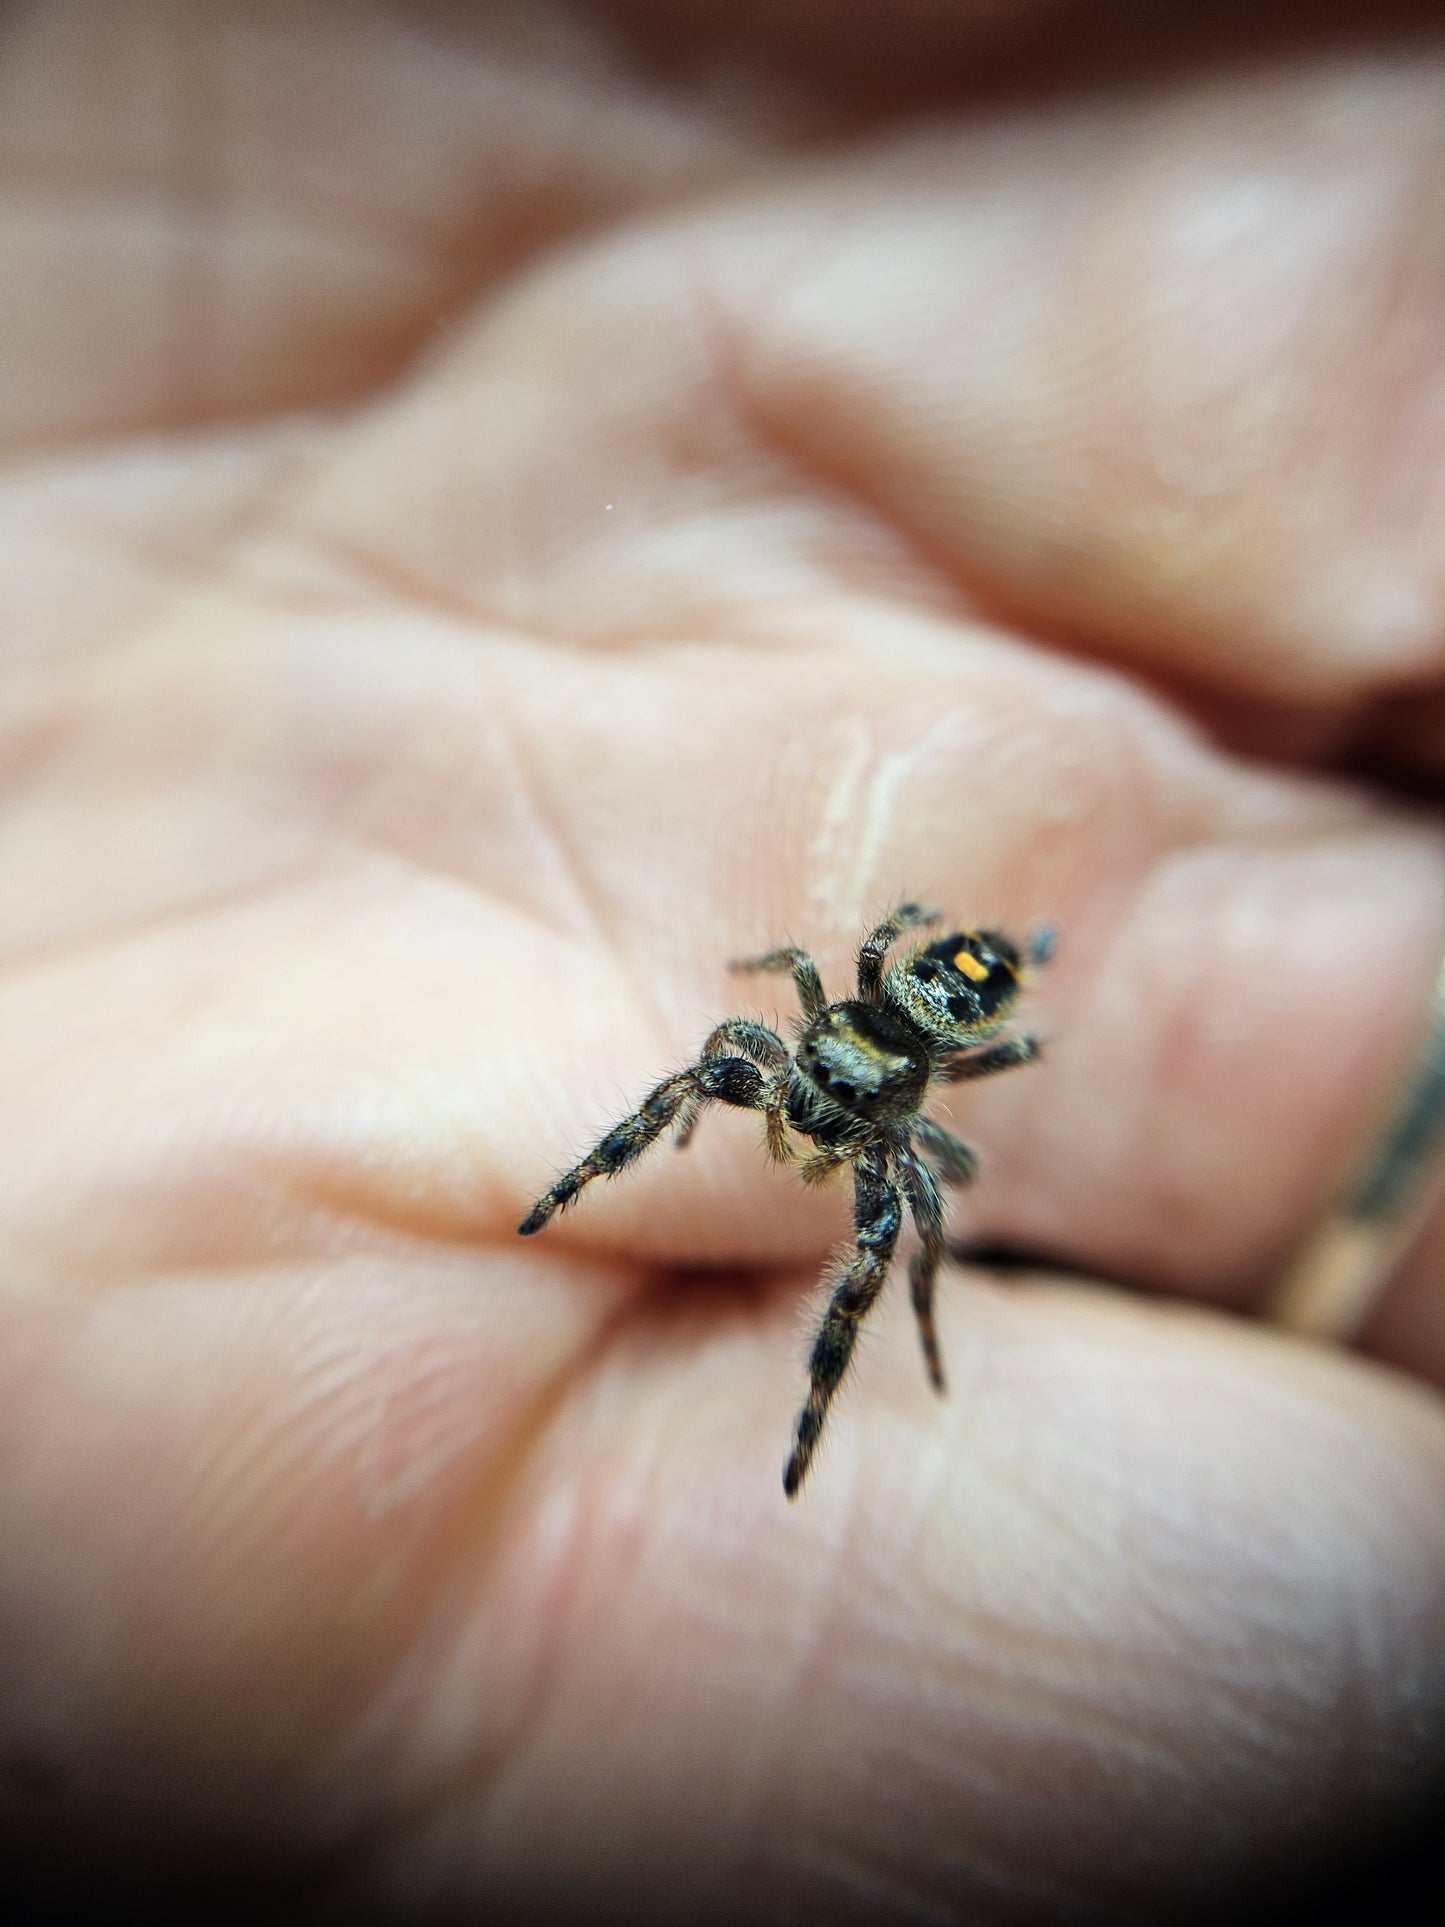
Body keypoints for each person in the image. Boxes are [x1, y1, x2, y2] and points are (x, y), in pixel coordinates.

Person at [1, 2, 1441, 1916]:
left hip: (914, 1013)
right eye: (845, 1057)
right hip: (893, 1006)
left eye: (870, 1075)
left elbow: (887, 1037)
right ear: (851, 1026)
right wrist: (786, 1047)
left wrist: (907, 1230)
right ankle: (648, 1230)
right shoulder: (854, 1029)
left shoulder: (904, 1085)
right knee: (752, 1105)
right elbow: (807, 981)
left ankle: (848, 1378)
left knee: (886, 1226)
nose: (821, 1109)